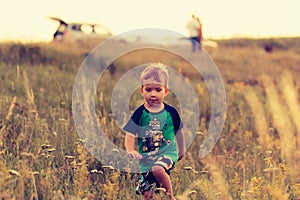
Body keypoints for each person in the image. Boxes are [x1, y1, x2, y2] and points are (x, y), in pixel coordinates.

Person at [123, 63, 185, 200]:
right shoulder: (140, 113)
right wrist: (130, 150)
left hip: (167, 153)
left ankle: (170, 197)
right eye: (148, 89)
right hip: (146, 159)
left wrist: (181, 151)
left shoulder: (171, 112)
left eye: (158, 90)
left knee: (157, 169)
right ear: (142, 90)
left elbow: (179, 131)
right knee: (148, 194)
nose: (153, 94)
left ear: (166, 91)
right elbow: (130, 134)